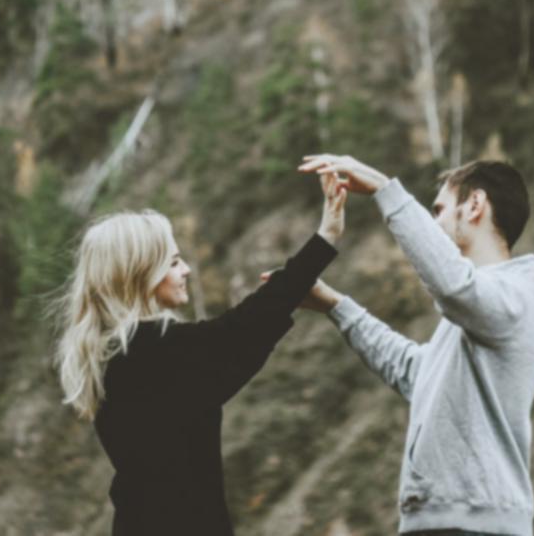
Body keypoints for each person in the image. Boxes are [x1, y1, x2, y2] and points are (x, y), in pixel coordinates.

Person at [54, 173, 347, 535]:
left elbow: (236, 335)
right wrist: (325, 238)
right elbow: (242, 330)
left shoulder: (113, 356)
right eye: (174, 262)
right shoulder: (152, 353)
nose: (186, 270)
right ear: (140, 273)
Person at [297, 154, 534, 536]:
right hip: (444, 522)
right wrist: (336, 306)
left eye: (439, 209)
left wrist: (384, 189)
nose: (433, 222)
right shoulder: (478, 313)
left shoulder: (519, 299)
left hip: (476, 525)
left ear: (475, 205)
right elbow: (413, 372)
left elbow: (452, 283)